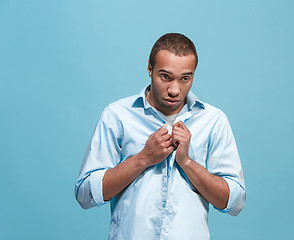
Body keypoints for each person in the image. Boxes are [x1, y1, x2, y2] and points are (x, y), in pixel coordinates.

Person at [75, 33, 246, 240]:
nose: (175, 90)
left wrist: (187, 163)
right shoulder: (117, 116)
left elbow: (235, 203)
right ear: (150, 69)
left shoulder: (214, 120)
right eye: (165, 77)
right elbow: (85, 195)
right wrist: (144, 158)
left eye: (185, 78)